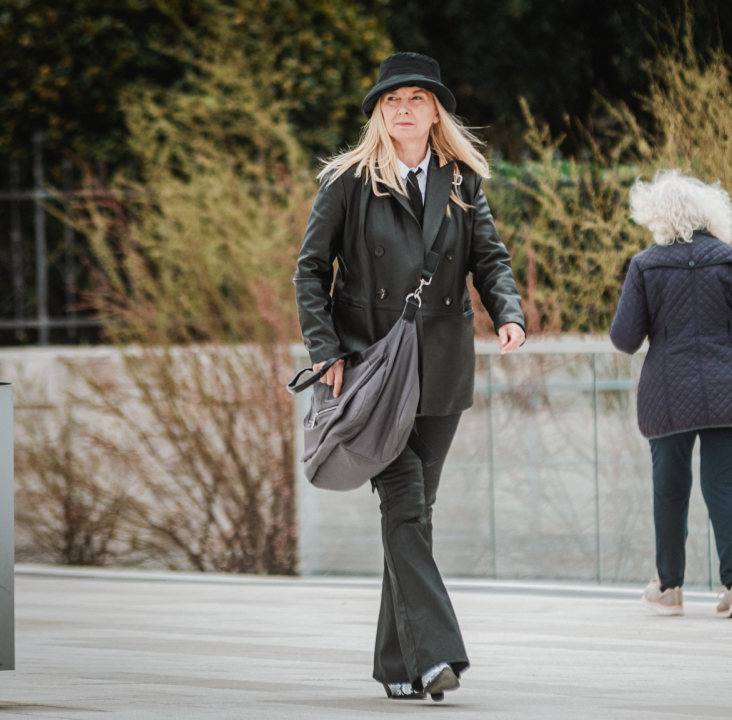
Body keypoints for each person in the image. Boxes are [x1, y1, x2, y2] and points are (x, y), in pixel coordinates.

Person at [293, 52, 526, 700]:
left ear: (435, 112)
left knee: (415, 513)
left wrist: (508, 313)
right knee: (405, 506)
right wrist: (326, 350)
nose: (403, 109)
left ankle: (397, 666)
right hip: (372, 371)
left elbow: (490, 259)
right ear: (378, 112)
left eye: (416, 99)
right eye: (391, 100)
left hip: (441, 370)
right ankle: (436, 656)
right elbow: (310, 270)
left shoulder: (462, 182)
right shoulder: (347, 181)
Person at [609, 169, 732, 619]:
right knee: (723, 486)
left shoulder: (645, 265)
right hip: (731, 391)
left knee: (670, 490)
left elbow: (625, 339)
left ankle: (669, 589)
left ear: (656, 216)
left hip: (667, 396)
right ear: (708, 212)